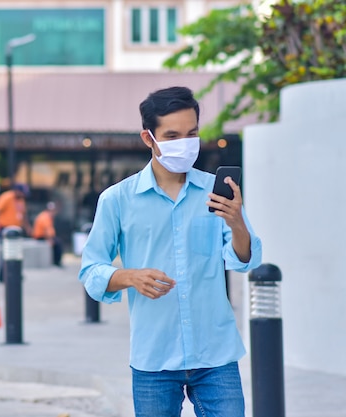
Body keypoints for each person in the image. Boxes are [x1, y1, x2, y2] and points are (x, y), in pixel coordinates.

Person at [78, 86, 262, 417]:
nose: (185, 143)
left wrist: (237, 224)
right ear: (149, 138)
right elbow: (90, 270)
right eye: (173, 135)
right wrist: (128, 276)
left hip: (216, 354)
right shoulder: (117, 199)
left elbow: (243, 260)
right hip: (155, 357)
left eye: (191, 133)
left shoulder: (214, 191)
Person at [0, 184, 31, 281]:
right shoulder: (6, 197)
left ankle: (15, 272)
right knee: (6, 252)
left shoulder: (21, 201)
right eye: (22, 193)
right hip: (4, 230)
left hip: (16, 231)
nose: (23, 195)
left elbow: (24, 215)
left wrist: (27, 228)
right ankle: (3, 275)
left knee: (17, 252)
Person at [32, 201, 63, 267]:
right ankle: (56, 262)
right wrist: (49, 239)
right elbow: (46, 230)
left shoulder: (48, 216)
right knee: (57, 244)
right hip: (41, 237)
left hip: (45, 236)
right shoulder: (45, 217)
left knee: (57, 241)